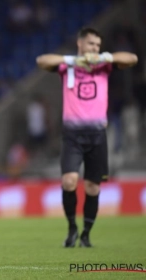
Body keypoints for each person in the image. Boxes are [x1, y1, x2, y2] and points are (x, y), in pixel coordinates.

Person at [36, 27, 137, 248]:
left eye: (98, 46)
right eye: (91, 44)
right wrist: (73, 60)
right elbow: (42, 61)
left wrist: (103, 56)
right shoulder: (67, 67)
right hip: (72, 134)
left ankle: (86, 234)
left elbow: (132, 58)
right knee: (69, 181)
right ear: (80, 44)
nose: (95, 49)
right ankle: (72, 228)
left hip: (97, 135)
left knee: (93, 188)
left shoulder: (103, 66)